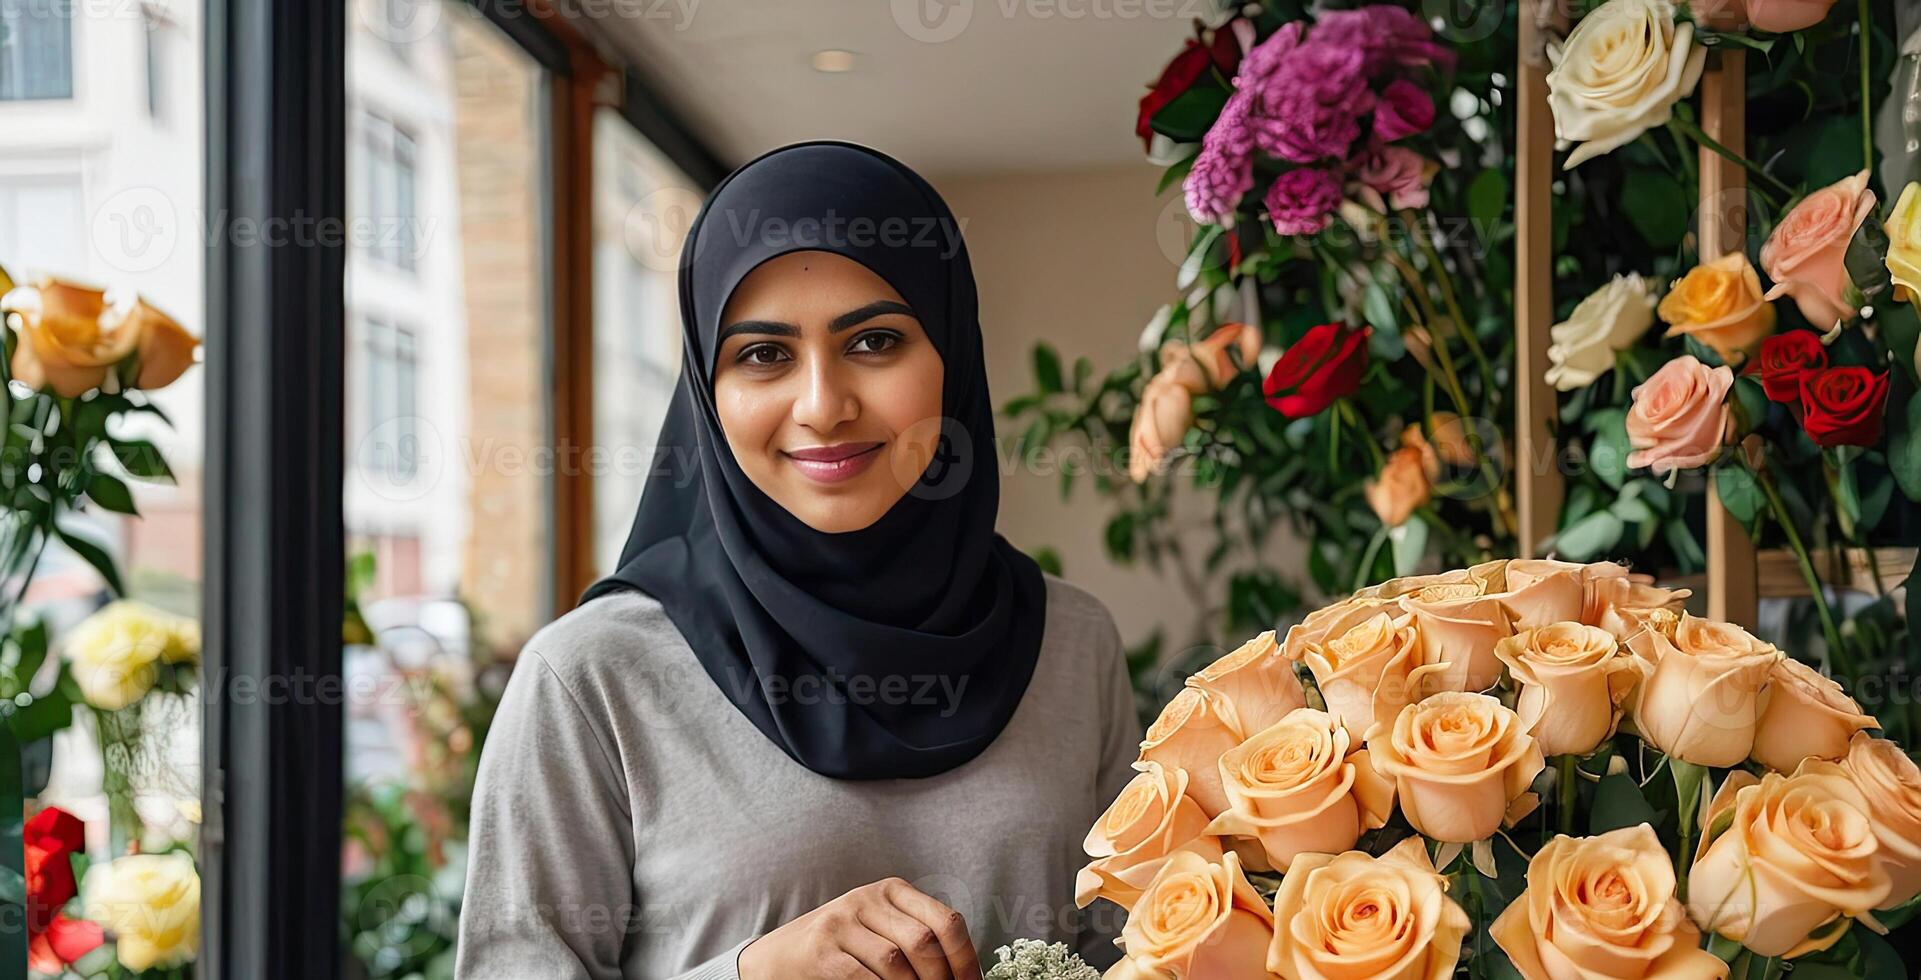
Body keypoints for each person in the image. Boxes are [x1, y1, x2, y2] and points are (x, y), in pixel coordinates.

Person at [456, 140, 1142, 980]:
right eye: (762, 355)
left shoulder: (1071, 643)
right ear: (708, 394)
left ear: (952, 357)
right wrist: (754, 975)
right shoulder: (595, 673)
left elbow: (1130, 951)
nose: (822, 405)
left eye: (874, 342)